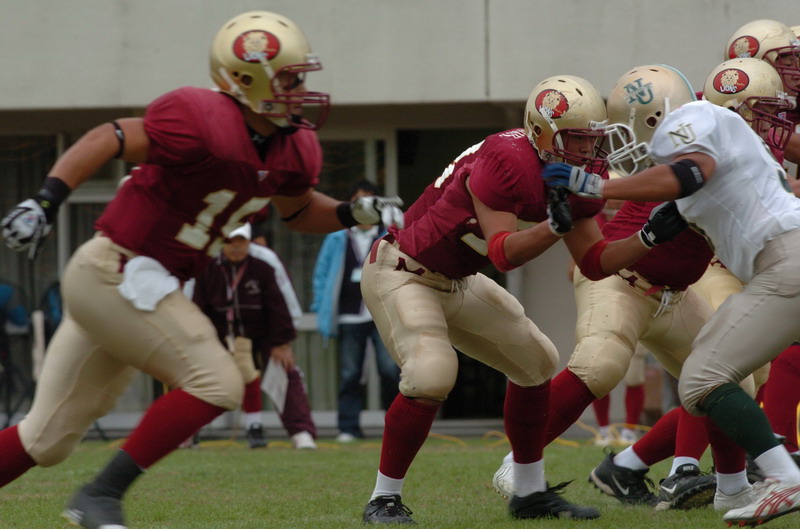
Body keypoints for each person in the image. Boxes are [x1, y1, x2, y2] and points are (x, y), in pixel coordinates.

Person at [0, 11, 403, 529]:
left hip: (138, 285)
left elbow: (299, 209)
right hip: (115, 270)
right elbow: (110, 136)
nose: (301, 91)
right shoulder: (198, 117)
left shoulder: (292, 146)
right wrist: (45, 201)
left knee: (46, 439)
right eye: (289, 79)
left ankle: (93, 494)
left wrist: (352, 213)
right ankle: (99, 495)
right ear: (246, 79)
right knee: (217, 381)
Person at [358, 73, 688, 524]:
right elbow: (503, 254)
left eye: (593, 138)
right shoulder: (506, 158)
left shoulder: (582, 173)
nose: (589, 150)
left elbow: (594, 263)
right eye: (577, 138)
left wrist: (647, 237)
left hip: (458, 280)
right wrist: (553, 227)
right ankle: (384, 499)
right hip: (402, 271)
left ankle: (529, 492)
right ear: (542, 133)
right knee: (432, 374)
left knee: (536, 361)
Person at [544, 56, 800, 527]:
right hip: (780, 261)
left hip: (784, 262)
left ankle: (783, 474)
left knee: (703, 376)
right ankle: (737, 484)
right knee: (717, 366)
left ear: (654, 117)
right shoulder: (729, 133)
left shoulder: (694, 121)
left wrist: (596, 186)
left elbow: (691, 172)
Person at [491, 64, 746, 512]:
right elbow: (673, 179)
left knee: (724, 383)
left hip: (675, 295)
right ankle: (518, 464)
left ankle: (730, 486)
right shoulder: (700, 149)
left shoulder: (730, 148)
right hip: (621, 280)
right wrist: (598, 186)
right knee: (601, 363)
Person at [192, 223, 317, 450]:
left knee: (284, 369)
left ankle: (300, 432)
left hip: (264, 330)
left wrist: (282, 342)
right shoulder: (207, 263)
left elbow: (281, 303)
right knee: (197, 374)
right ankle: (188, 432)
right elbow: (196, 305)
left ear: (249, 241)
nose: (236, 246)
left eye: (241, 241)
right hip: (219, 331)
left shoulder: (265, 261)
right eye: (230, 241)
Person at [311, 180, 400, 443]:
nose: (364, 206)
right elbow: (321, 275)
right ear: (350, 205)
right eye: (358, 200)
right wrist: (320, 307)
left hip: (382, 315)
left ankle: (396, 425)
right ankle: (348, 428)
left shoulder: (389, 235)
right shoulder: (337, 237)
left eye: (370, 199)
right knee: (350, 373)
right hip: (349, 315)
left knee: (390, 370)